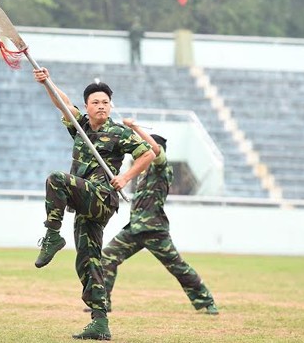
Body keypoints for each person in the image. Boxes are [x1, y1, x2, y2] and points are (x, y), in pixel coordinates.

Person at [32, 68, 156, 340]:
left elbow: (148, 154)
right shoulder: (80, 127)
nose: (101, 106)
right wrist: (47, 82)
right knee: (87, 261)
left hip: (101, 198)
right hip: (83, 201)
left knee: (56, 179)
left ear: (110, 105)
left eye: (105, 103)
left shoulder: (119, 133)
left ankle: (52, 235)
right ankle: (100, 322)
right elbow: (62, 103)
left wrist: (125, 177)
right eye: (96, 103)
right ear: (87, 107)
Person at [94, 118, 219, 315]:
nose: (143, 152)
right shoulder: (143, 173)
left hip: (155, 230)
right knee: (107, 257)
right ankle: (102, 302)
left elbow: (154, 151)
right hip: (135, 229)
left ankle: (206, 302)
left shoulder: (162, 169)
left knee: (178, 267)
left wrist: (134, 128)